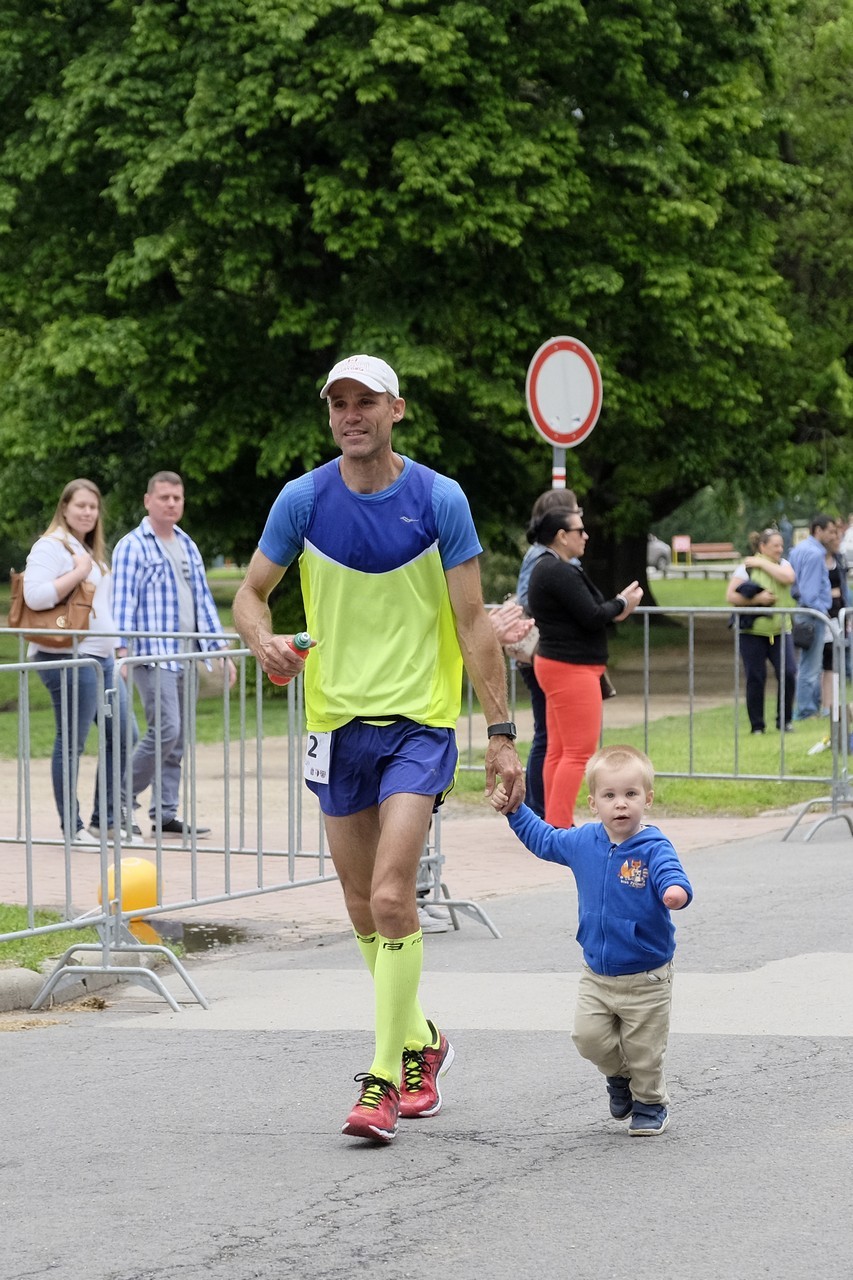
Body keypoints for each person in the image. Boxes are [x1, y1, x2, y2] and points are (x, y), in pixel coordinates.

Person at [232, 352, 524, 1144]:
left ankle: (382, 1079)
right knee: (362, 904)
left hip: (418, 726)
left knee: (394, 898)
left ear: (397, 410)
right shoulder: (302, 500)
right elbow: (250, 594)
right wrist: (263, 644)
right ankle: (422, 1039)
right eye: (339, 404)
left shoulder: (439, 499)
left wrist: (500, 735)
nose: (351, 415)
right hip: (334, 727)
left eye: (366, 401)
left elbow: (471, 622)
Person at [490, 744, 692, 1135]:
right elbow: (545, 839)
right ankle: (619, 1076)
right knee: (588, 1038)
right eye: (610, 795)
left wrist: (675, 892)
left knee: (645, 1051)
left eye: (631, 794)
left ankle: (650, 1104)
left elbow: (672, 874)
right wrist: (515, 811)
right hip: (597, 973)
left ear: (648, 799)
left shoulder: (654, 847)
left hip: (647, 976)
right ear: (593, 803)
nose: (621, 804)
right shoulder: (583, 842)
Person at [112, 471, 237, 837]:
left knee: (178, 739)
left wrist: (222, 651)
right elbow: (122, 600)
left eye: (177, 498)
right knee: (166, 729)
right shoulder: (133, 545)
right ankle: (117, 800)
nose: (171, 503)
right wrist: (121, 650)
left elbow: (203, 602)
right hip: (153, 656)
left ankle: (165, 815)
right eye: (164, 497)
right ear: (147, 500)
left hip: (186, 656)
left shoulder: (187, 544)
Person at [22, 479, 137, 846]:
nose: (88, 512)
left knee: (124, 734)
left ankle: (105, 819)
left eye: (93, 506)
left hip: (101, 659)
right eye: (80, 505)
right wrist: (78, 571)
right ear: (64, 508)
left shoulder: (87, 550)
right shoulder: (52, 546)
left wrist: (118, 648)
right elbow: (34, 596)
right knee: (72, 741)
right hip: (68, 657)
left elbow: (101, 606)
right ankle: (71, 827)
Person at [527, 507, 643, 828]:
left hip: (559, 664)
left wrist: (617, 606)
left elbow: (587, 612)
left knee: (559, 750)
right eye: (580, 531)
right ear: (562, 536)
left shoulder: (548, 568)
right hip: (571, 667)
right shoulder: (557, 570)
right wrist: (622, 603)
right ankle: (560, 826)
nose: (586, 536)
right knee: (578, 752)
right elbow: (592, 614)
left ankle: (553, 824)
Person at [513, 489, 582, 818]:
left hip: (549, 652)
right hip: (543, 653)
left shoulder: (547, 555)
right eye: (576, 512)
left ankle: (546, 809)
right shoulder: (543, 557)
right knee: (548, 734)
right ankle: (539, 810)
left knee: (554, 734)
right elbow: (529, 598)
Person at [725, 529, 796, 734]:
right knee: (756, 677)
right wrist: (757, 599)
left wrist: (763, 563)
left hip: (781, 630)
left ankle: (785, 721)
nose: (780, 549)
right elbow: (730, 596)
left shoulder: (783, 564)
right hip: (752, 633)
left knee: (789, 673)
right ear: (763, 547)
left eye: (781, 545)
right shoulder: (745, 569)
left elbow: (788, 578)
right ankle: (757, 725)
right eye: (775, 546)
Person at [788, 515, 837, 721]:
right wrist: (822, 611)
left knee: (805, 663)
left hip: (802, 611)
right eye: (830, 531)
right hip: (813, 614)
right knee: (811, 666)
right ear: (818, 530)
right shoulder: (816, 554)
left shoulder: (798, 550)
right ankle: (807, 710)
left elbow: (794, 586)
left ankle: (806, 706)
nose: (833, 536)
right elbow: (809, 593)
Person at [818, 520, 849, 716]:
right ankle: (815, 703)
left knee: (833, 660)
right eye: (833, 535)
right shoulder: (817, 559)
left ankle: (830, 705)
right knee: (817, 660)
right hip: (821, 613)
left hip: (839, 613)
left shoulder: (840, 560)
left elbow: (844, 588)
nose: (837, 539)